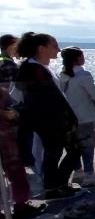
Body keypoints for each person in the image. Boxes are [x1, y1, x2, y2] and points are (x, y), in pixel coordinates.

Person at [15, 33, 82, 198]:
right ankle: (53, 185)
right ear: (41, 48)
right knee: (59, 152)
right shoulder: (32, 70)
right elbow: (45, 98)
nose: (58, 49)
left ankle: (56, 184)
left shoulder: (40, 68)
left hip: (54, 118)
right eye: (54, 46)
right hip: (49, 120)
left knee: (63, 151)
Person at [0, 34, 44, 218]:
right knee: (15, 166)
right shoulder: (8, 65)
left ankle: (17, 206)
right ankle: (20, 206)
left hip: (7, 121)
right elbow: (12, 94)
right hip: (6, 125)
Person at [59, 47, 95, 187]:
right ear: (77, 58)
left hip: (67, 117)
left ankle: (78, 171)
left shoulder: (62, 76)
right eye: (81, 56)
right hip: (83, 116)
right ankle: (89, 173)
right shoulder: (84, 75)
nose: (84, 58)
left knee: (73, 146)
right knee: (88, 145)